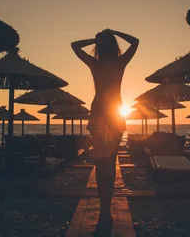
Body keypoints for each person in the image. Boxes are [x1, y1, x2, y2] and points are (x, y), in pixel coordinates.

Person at [71, 29, 139, 235]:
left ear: (100, 47)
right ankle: (105, 211)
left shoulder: (95, 64)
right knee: (109, 161)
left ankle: (104, 211)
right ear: (114, 45)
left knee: (102, 163)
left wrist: (95, 40)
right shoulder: (120, 63)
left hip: (100, 114)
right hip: (115, 115)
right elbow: (135, 41)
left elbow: (75, 45)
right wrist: (114, 34)